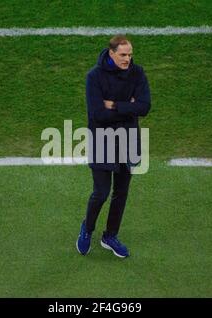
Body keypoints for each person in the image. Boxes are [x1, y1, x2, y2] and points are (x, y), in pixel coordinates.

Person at [76, 35, 151, 258]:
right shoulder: (94, 77)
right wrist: (129, 107)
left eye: (130, 55)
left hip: (128, 140)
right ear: (111, 53)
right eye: (123, 55)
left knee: (121, 192)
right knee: (101, 192)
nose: (128, 59)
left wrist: (114, 105)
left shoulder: (137, 73)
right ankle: (87, 229)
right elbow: (97, 113)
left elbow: (145, 106)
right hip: (102, 139)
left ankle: (110, 236)